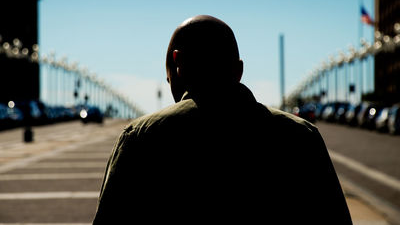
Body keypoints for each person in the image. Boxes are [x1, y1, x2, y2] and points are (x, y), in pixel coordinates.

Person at [93, 15, 352, 224]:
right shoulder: (302, 136)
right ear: (239, 70)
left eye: (168, 73)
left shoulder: (142, 138)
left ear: (177, 62)